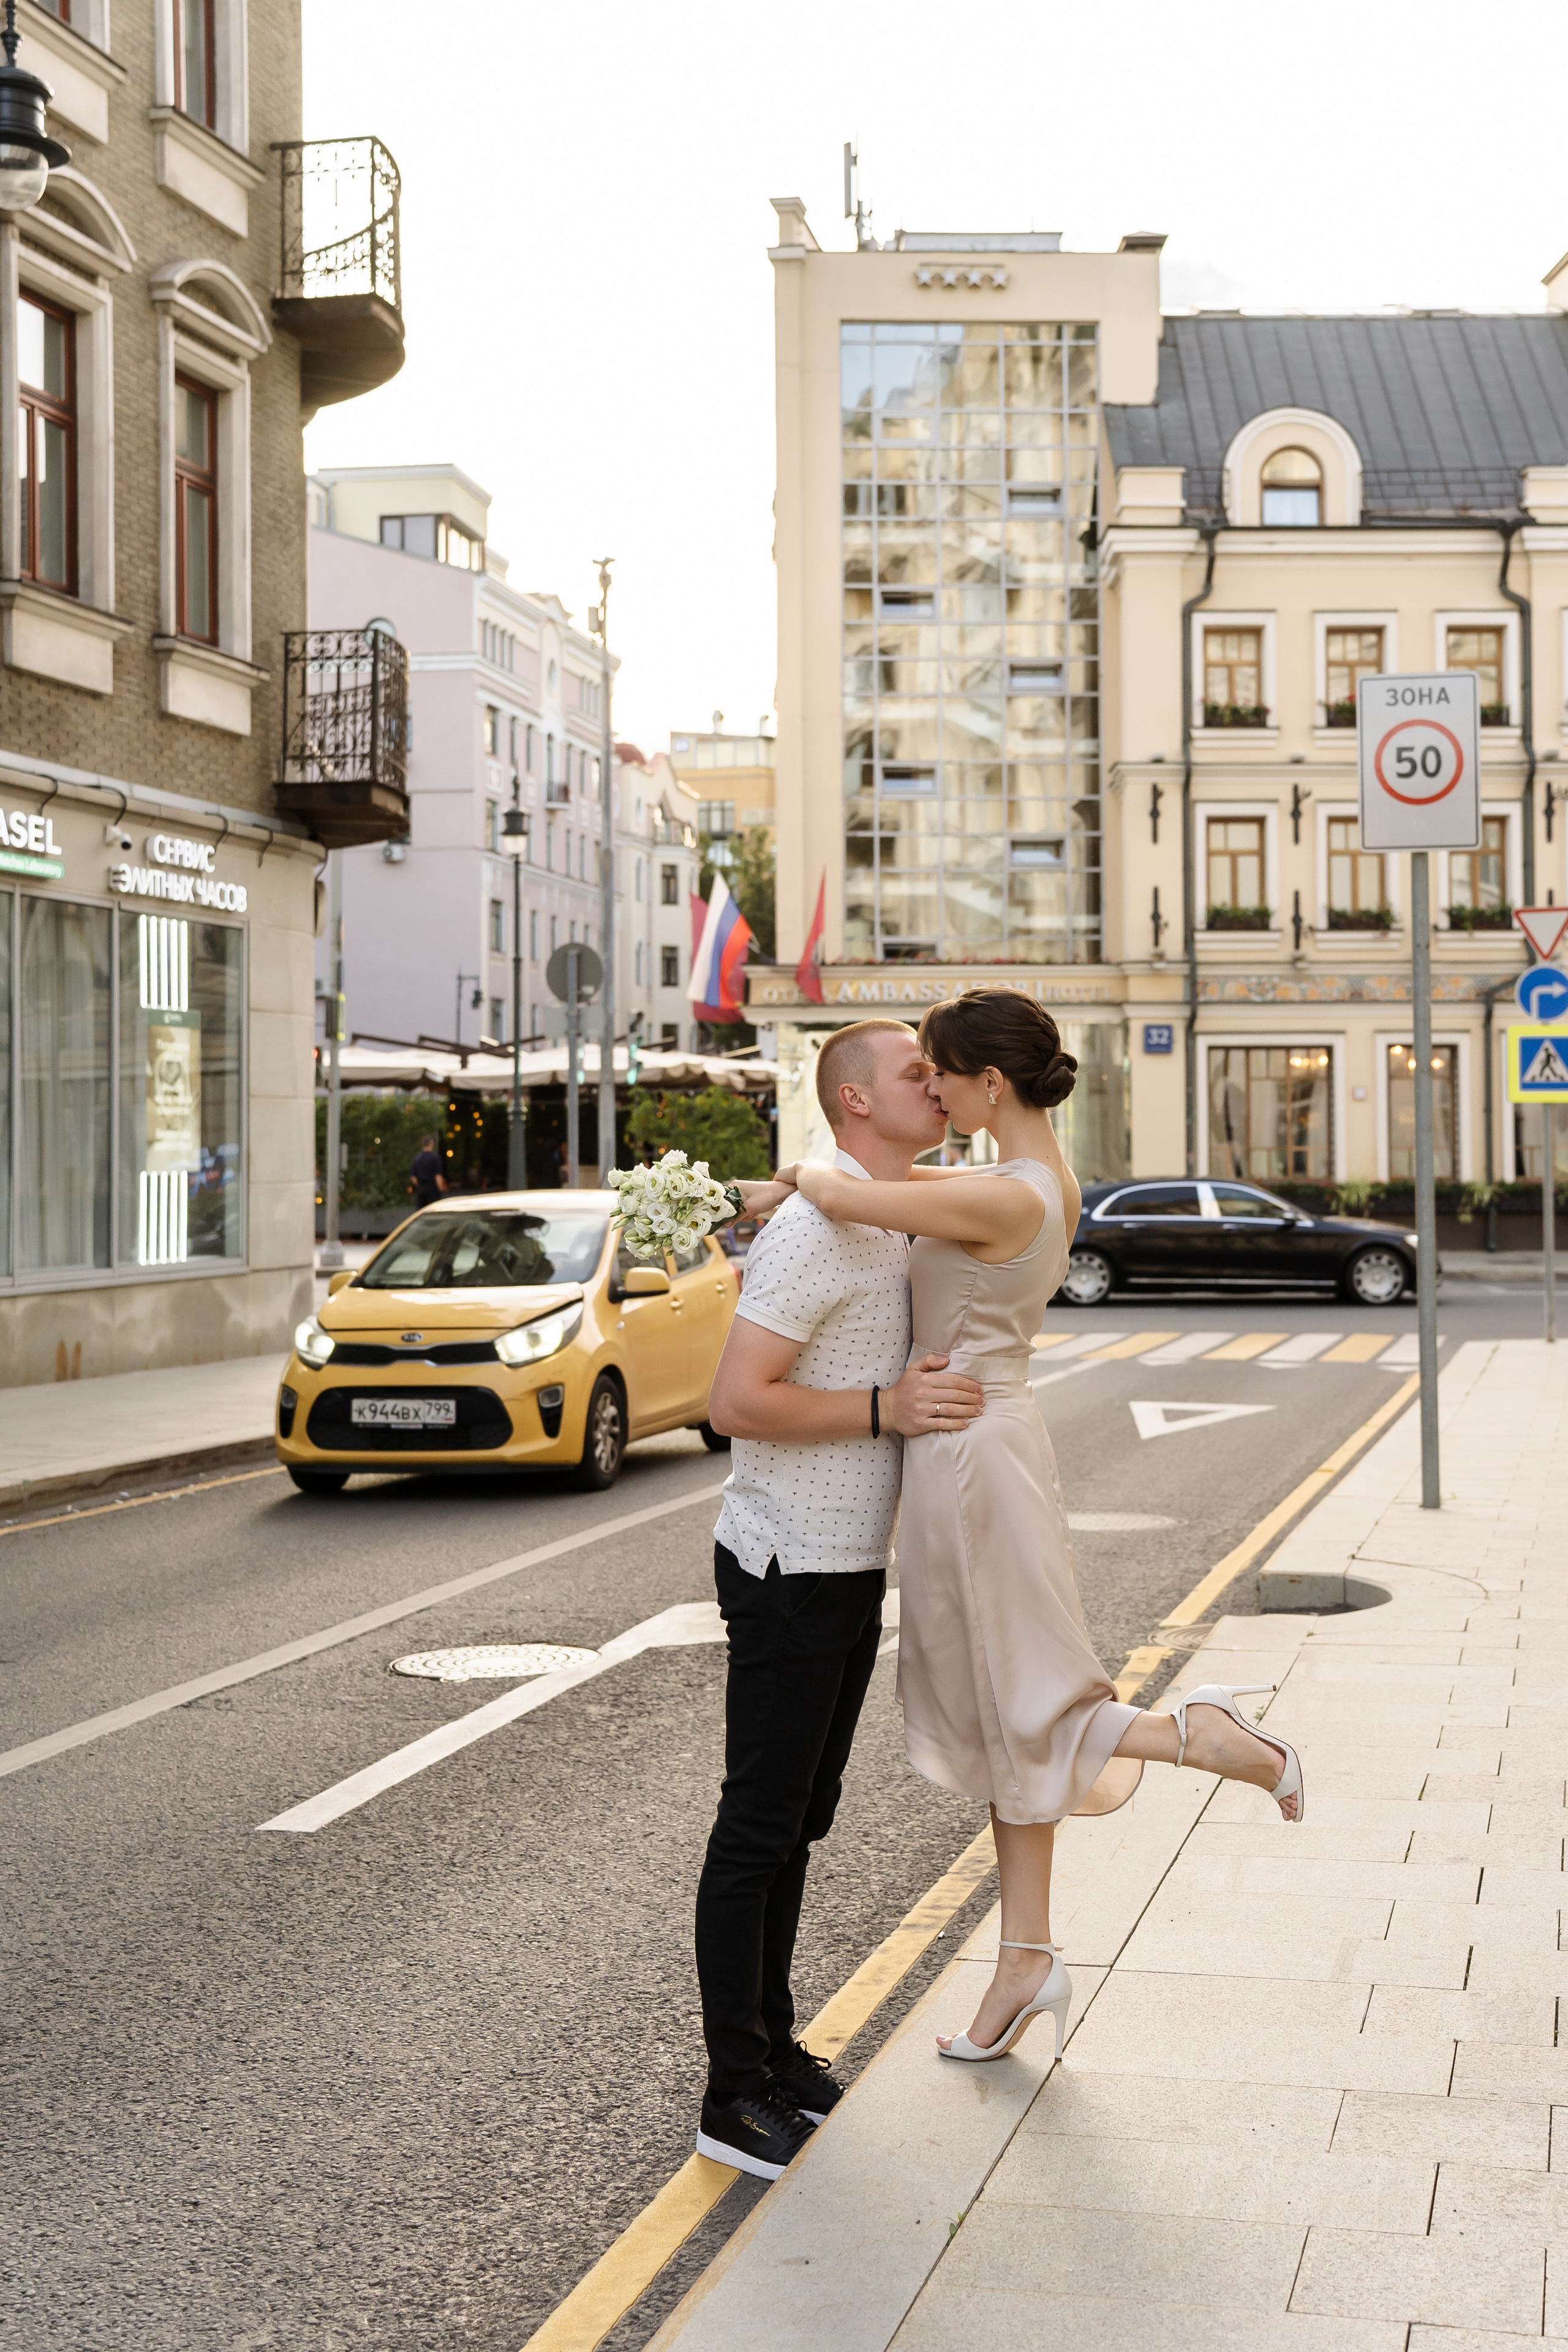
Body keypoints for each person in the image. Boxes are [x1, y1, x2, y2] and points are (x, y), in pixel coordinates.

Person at [790, 987, 1303, 2070]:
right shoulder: (1019, 1180)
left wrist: (799, 1177)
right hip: (980, 1450)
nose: (926, 1087)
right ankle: (1025, 1959)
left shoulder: (1005, 1198)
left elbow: (846, 1193)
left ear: (988, 1086)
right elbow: (893, 1193)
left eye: (937, 1073)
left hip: (972, 1459)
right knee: (998, 1708)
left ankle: (1192, 1736)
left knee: (1020, 1702)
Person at [692, 1020, 987, 2180]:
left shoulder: (887, 1207)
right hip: (785, 1563)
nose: (940, 1084)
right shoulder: (817, 1233)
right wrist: (884, 1411)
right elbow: (734, 1402)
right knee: (758, 1827)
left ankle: (772, 2049)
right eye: (918, 1073)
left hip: (848, 1563)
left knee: (803, 1819)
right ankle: (731, 2091)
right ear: (857, 1102)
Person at [409, 1133, 445, 1208]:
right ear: (432, 1144)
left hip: (421, 1189)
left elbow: (413, 1177)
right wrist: (441, 1189)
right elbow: (438, 1176)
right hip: (432, 1189)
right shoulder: (435, 1158)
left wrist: (420, 1186)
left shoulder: (417, 1158)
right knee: (434, 1210)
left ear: (423, 1145)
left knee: (421, 1211)